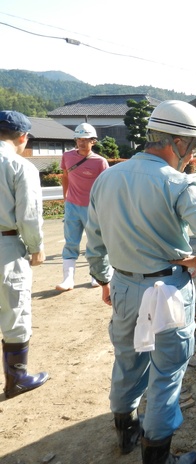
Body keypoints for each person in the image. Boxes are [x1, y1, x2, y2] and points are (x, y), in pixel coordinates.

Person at [85, 100, 196, 463]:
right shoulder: (178, 184)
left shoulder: (107, 178)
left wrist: (104, 280)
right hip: (166, 290)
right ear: (179, 143)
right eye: (193, 146)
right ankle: (157, 456)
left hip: (122, 285)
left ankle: (125, 432)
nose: (192, 154)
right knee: (166, 373)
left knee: (127, 359)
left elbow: (95, 241)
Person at [0, 110, 49, 398]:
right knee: (14, 310)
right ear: (22, 137)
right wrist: (36, 247)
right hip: (6, 245)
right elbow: (28, 215)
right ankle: (16, 378)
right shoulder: (19, 166)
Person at [55, 123, 108, 291]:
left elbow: (106, 186)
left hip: (93, 208)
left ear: (93, 141)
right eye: (79, 139)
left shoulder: (100, 162)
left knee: (95, 243)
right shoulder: (67, 156)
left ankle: (96, 276)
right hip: (72, 205)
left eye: (85, 140)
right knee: (71, 242)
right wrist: (65, 197)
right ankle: (68, 279)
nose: (81, 143)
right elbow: (65, 176)